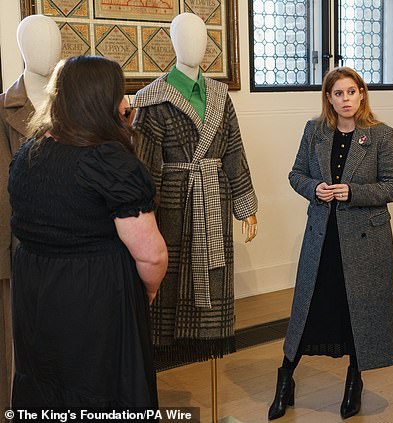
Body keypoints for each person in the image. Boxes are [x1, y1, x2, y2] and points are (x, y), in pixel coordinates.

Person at [8, 56, 168, 408]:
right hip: (95, 296)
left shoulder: (28, 154)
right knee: (101, 393)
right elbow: (151, 254)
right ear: (99, 100)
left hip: (37, 295)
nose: (127, 104)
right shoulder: (110, 161)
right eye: (119, 94)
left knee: (49, 385)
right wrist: (146, 294)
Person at [269, 67, 393, 420]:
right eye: (338, 93)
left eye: (351, 92)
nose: (345, 99)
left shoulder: (380, 135)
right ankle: (285, 377)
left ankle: (354, 382)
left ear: (362, 94)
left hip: (364, 244)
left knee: (355, 312)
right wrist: (314, 188)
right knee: (309, 309)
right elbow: (295, 174)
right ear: (328, 98)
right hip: (323, 239)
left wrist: (353, 192)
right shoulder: (314, 131)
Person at [133, 13, 258, 369]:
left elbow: (233, 150)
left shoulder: (219, 95)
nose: (196, 45)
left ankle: (209, 340)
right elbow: (144, 169)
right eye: (186, 37)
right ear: (173, 43)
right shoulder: (151, 98)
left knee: (213, 284)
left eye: (202, 37)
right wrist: (144, 222)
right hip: (172, 205)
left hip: (213, 199)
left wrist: (245, 204)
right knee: (170, 283)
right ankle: (170, 352)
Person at [0, 15, 61, 414]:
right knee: (24, 346)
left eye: (54, 40)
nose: (48, 49)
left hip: (74, 245)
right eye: (37, 41)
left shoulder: (75, 106)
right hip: (23, 246)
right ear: (21, 48)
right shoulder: (7, 109)